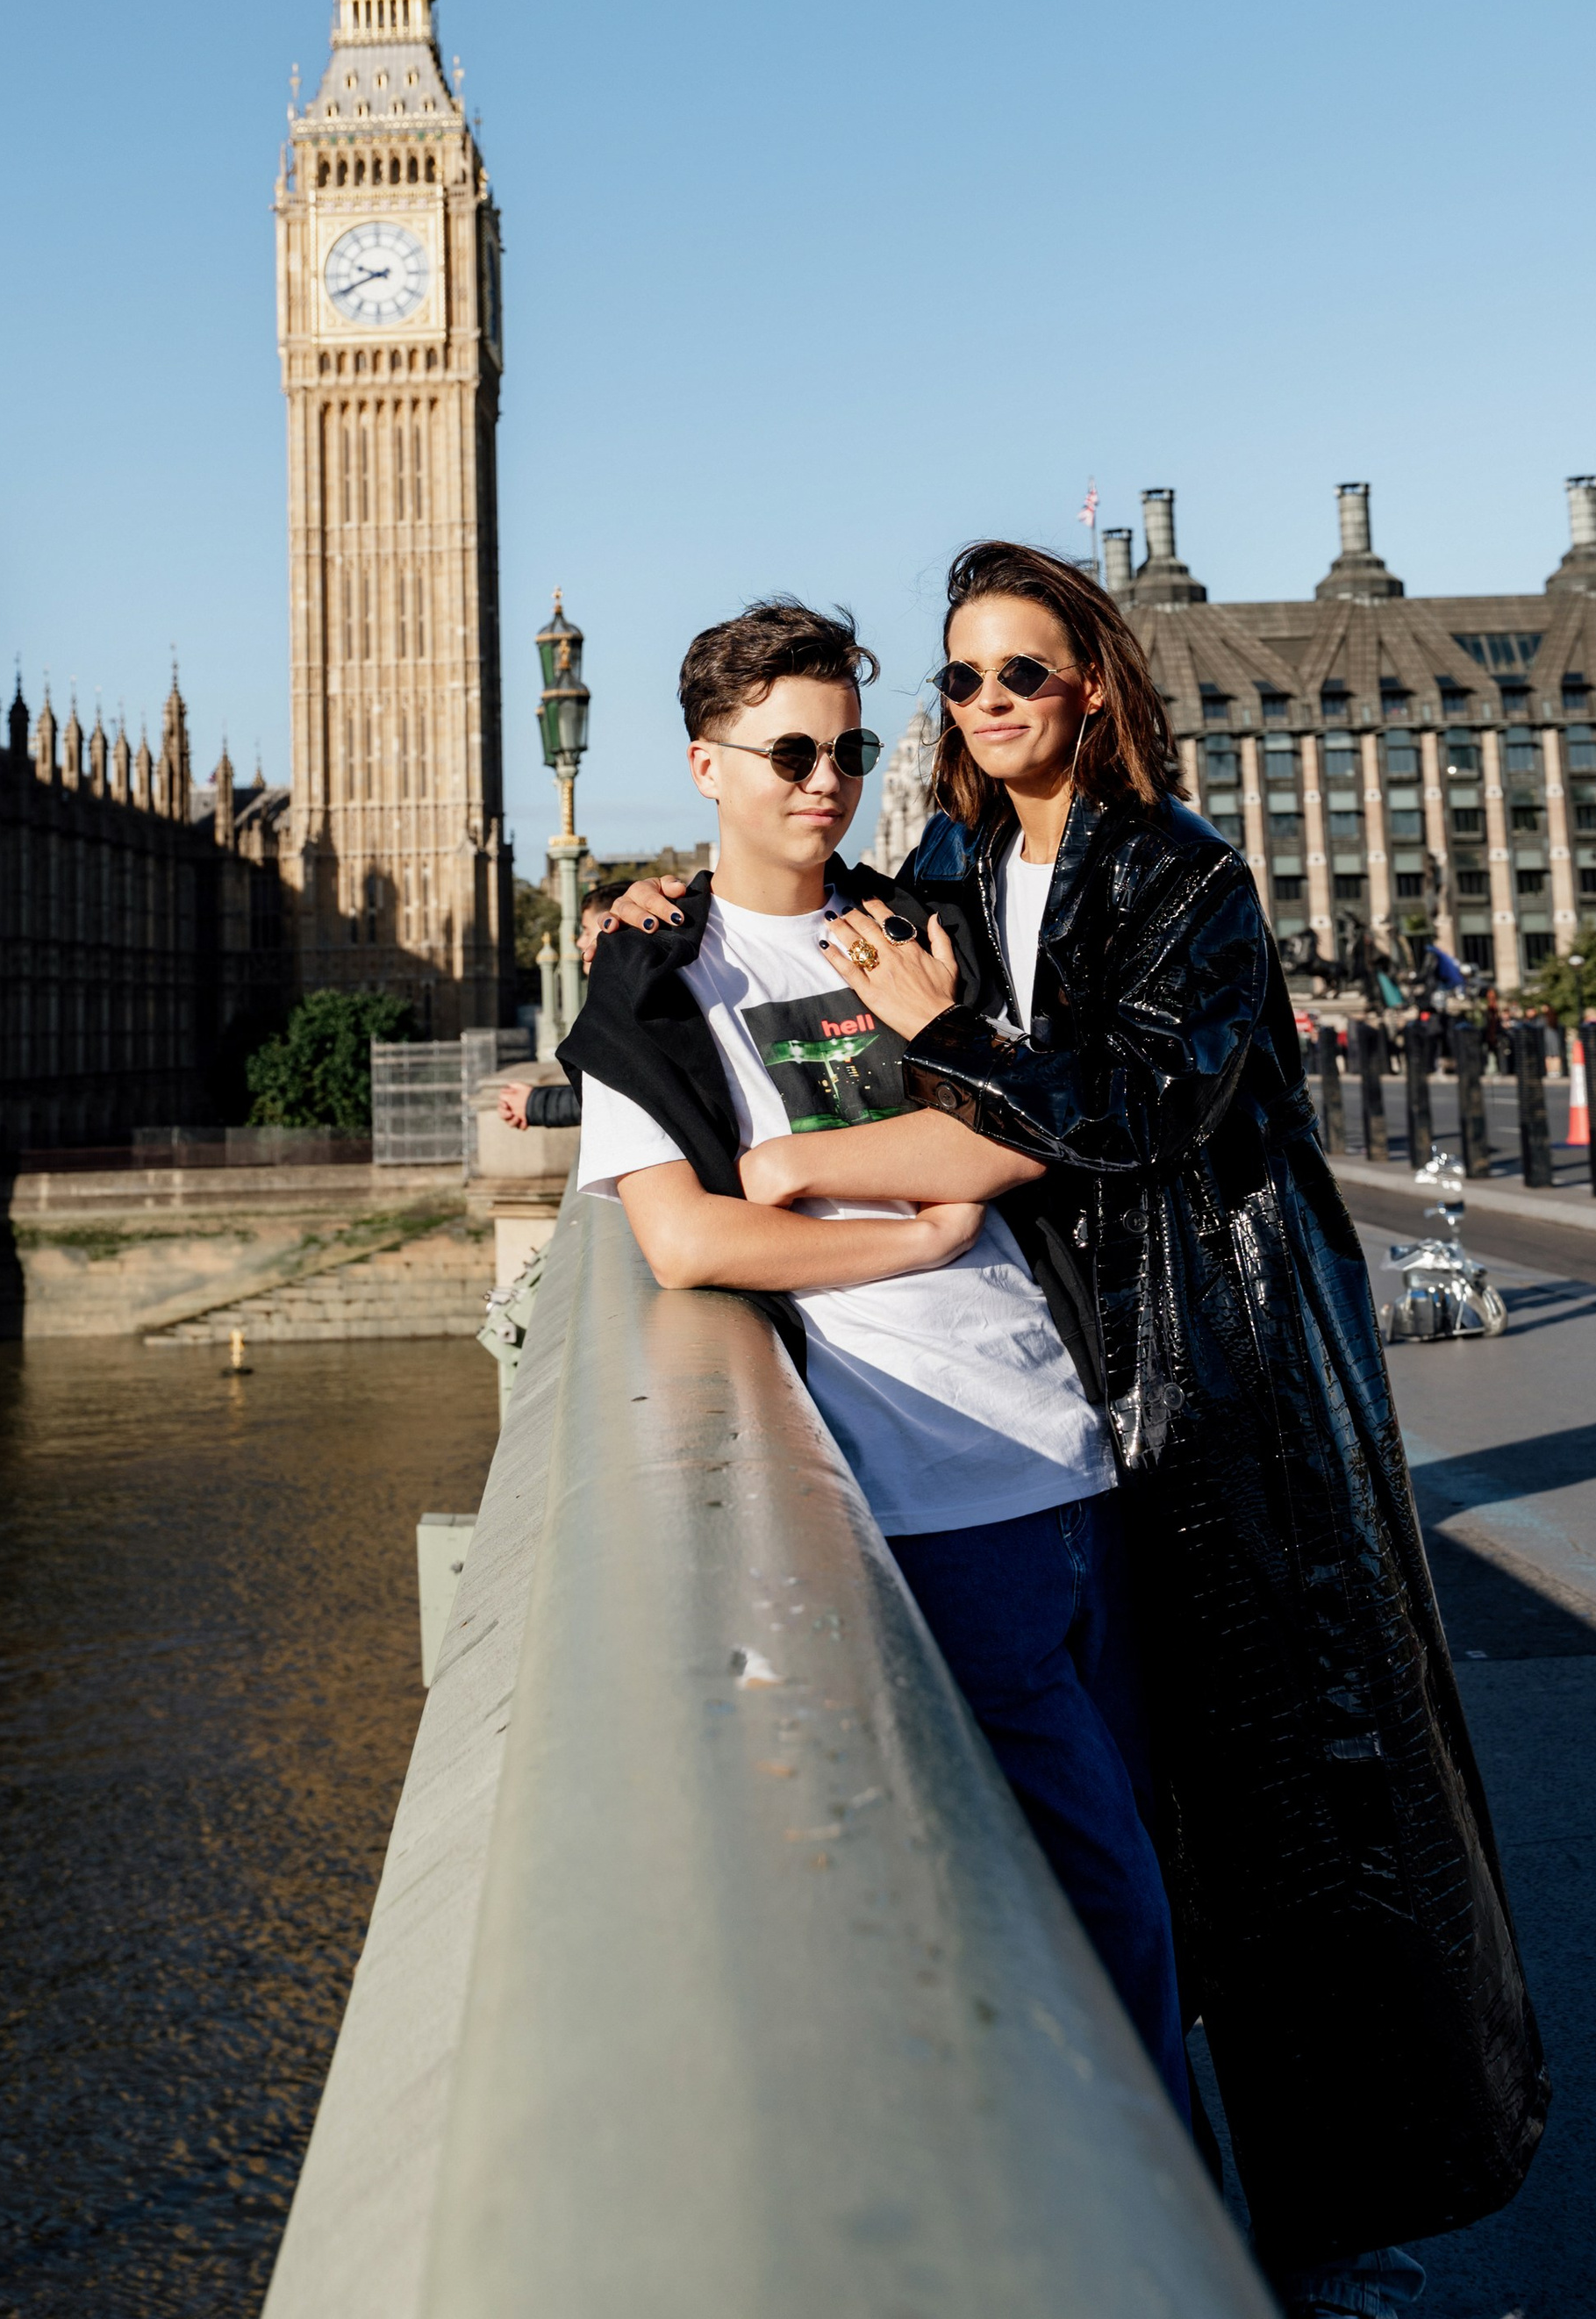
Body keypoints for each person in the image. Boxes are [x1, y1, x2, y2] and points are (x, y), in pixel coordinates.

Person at [601, 544, 1547, 2317]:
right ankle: (1176, 2215)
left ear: (1089, 684)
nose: (981, 706)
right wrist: (637, 927)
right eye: (958, 679)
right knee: (1151, 1836)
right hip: (1079, 1389)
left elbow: (1129, 1103)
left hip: (1220, 1379)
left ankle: (1342, 2224)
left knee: (1299, 1814)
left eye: (1016, 673)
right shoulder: (948, 869)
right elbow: (772, 944)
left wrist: (909, 1065)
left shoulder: (1181, 875)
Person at [562, 598, 1194, 2125]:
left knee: (1159, 1866)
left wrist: (812, 1168)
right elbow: (686, 1241)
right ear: (706, 765)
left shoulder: (922, 920)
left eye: (846, 751)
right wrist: (913, 1239)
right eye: (789, 753)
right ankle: (1161, 2214)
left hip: (1087, 1455)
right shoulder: (655, 980)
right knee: (1100, 1904)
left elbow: (1040, 1129)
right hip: (935, 1500)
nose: (825, 782)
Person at [496, 882, 629, 1128]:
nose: (579, 942)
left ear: (612, 926)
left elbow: (618, 1097)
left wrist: (538, 1104)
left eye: (586, 931)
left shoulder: (627, 1002)